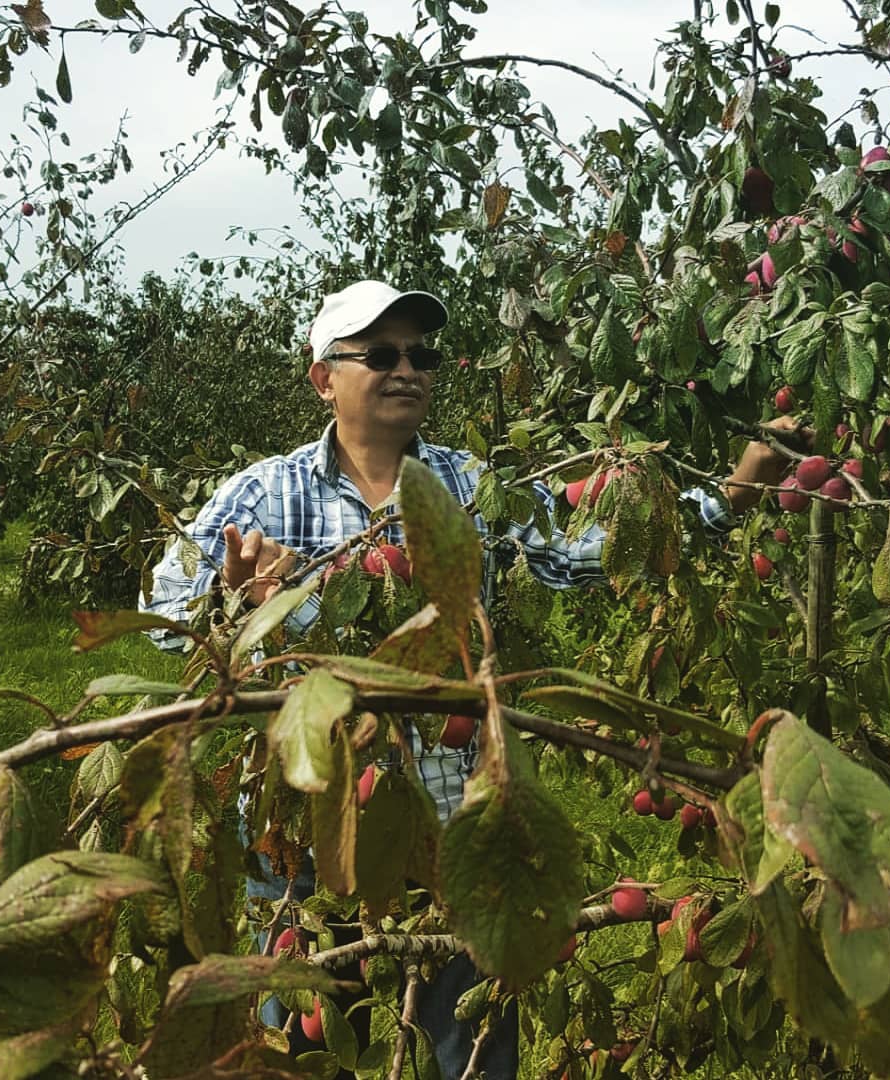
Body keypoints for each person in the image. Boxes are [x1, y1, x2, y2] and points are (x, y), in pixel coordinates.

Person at [139, 279, 798, 1077]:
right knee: (304, 1045)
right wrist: (231, 595)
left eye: (421, 354)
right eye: (380, 354)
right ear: (324, 378)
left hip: (452, 827)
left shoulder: (466, 487)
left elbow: (584, 554)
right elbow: (162, 597)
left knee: (474, 1050)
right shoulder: (264, 493)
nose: (407, 368)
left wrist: (732, 492)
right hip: (307, 836)